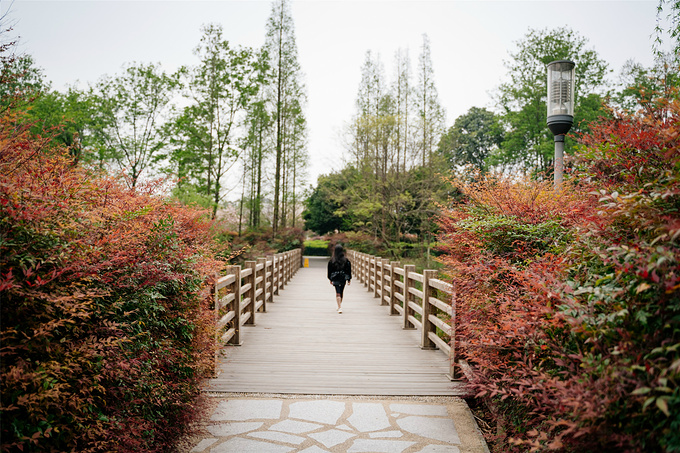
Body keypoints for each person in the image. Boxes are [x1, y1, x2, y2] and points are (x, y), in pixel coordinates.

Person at [327, 244, 351, 313]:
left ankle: (339, 306)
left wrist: (330, 279)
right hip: (343, 277)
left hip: (335, 277)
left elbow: (329, 270)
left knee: (337, 291)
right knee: (341, 291)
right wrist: (349, 279)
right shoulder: (346, 260)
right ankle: (339, 306)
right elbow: (348, 270)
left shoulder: (332, 260)